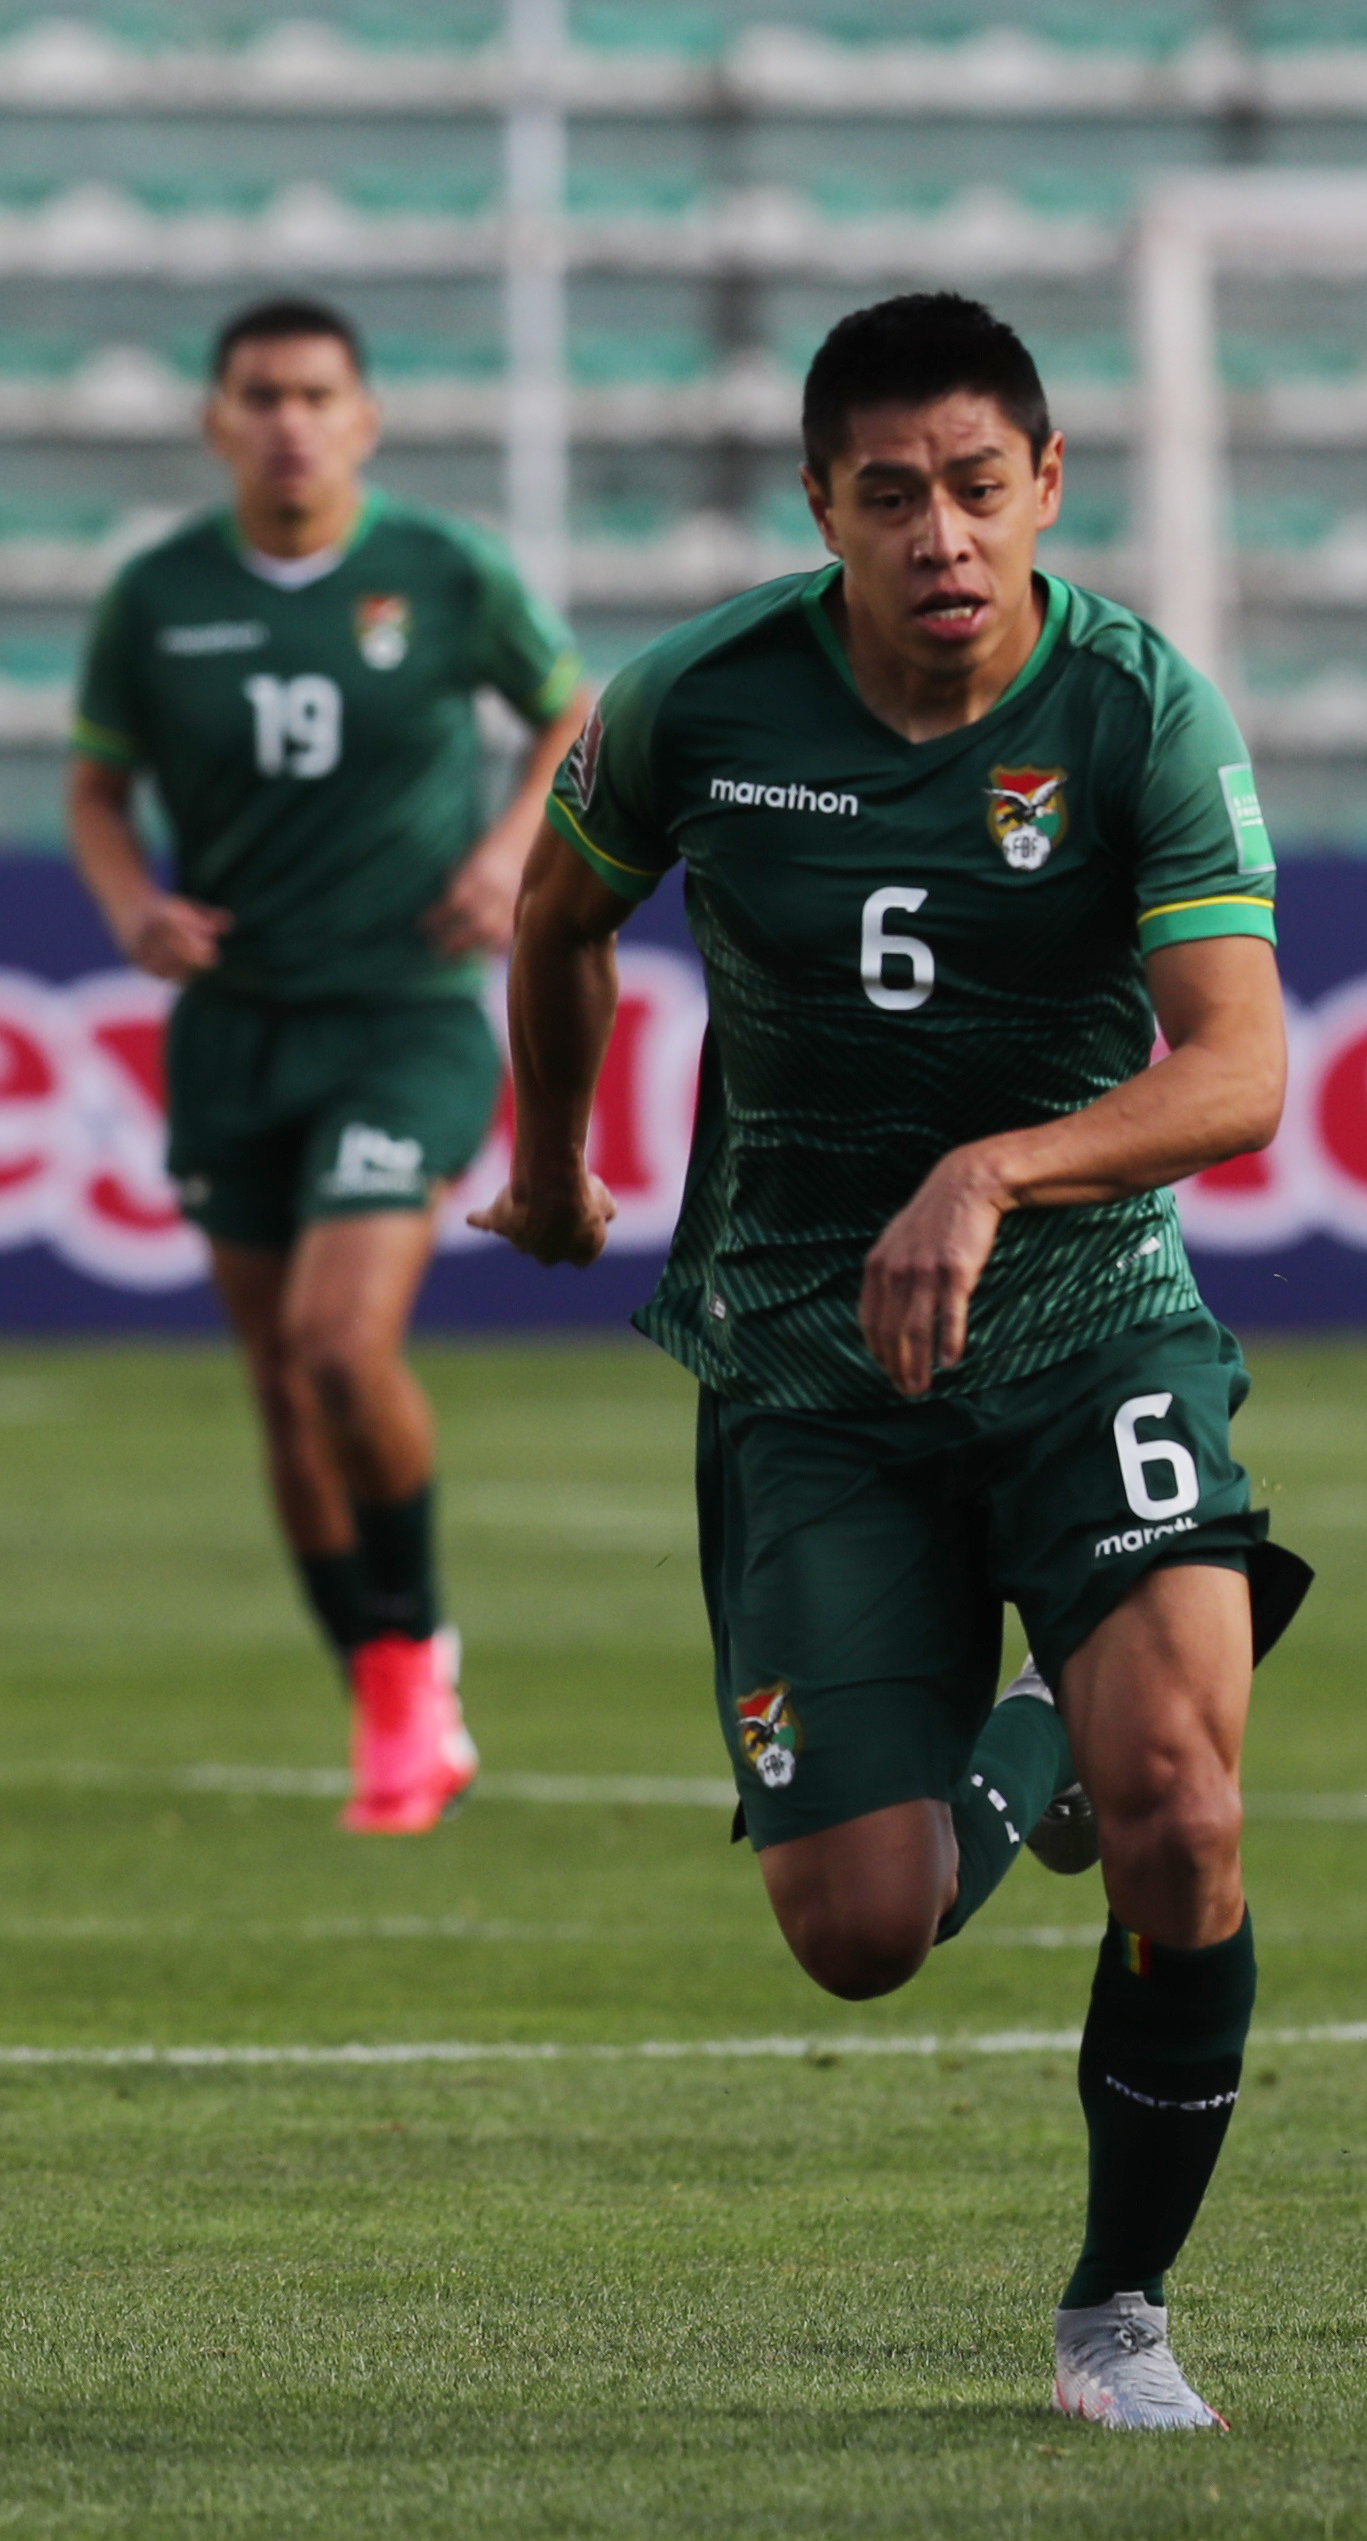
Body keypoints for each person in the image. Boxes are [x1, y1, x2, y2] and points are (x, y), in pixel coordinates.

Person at [474, 292, 1304, 2432]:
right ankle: (1019, 1731)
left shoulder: (1135, 710)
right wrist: (556, 1170)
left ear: (1045, 482)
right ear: (820, 507)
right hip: (805, 1360)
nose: (940, 532)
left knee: (1184, 1815)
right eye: (889, 495)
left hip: (1086, 1314)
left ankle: (1118, 2307)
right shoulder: (693, 705)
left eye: (977, 485)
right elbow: (557, 922)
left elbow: (1236, 1073)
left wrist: (998, 1169)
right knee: (858, 1924)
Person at [66, 297, 590, 1834]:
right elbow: (95, 790)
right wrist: (133, 909)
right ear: (215, 422)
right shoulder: (158, 597)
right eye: (260, 396)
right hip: (234, 1030)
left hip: (404, 1015)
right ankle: (375, 1685)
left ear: (366, 417)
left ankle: (418, 1645)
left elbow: (573, 708)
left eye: (317, 394)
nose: (290, 420)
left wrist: (511, 854)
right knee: (281, 1397)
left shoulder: (443, 572)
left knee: (336, 1345)